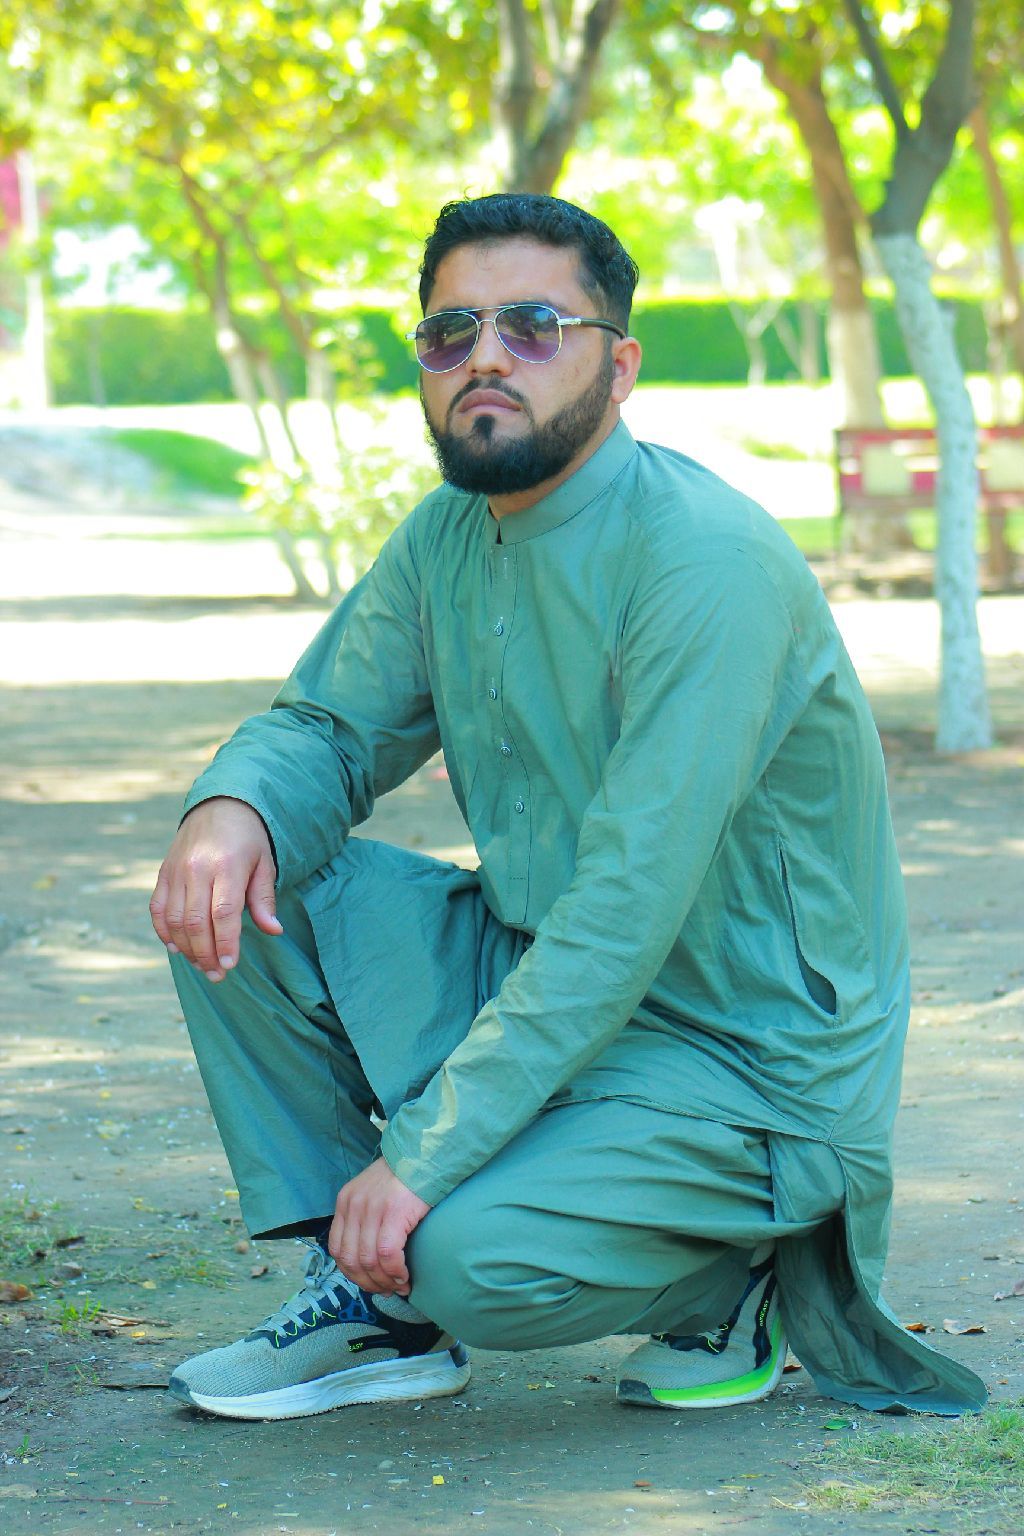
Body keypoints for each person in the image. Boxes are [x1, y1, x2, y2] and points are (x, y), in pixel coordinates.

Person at [150, 193, 985, 1422]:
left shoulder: (704, 563)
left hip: (740, 1052)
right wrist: (235, 808)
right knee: (241, 881)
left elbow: (625, 912)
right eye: (451, 332)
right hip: (538, 963)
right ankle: (373, 1304)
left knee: (470, 1259)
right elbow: (328, 727)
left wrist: (421, 1156)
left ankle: (741, 1275)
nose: (484, 357)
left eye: (533, 327)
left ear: (620, 364)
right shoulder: (448, 534)